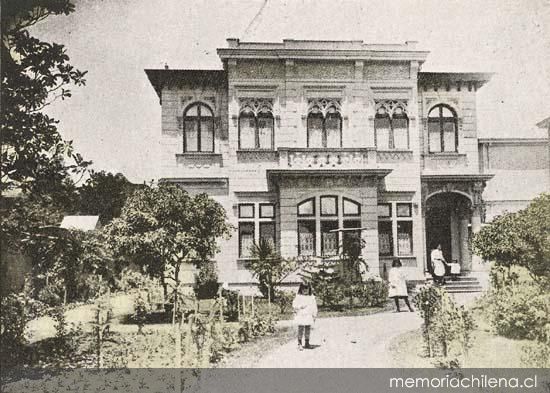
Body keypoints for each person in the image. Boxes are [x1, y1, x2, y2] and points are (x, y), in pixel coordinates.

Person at [292, 282, 318, 350]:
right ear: (301, 289)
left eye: (307, 289)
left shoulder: (311, 297)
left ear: (309, 289)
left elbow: (314, 307)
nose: (305, 291)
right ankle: (299, 343)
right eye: (303, 289)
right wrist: (300, 306)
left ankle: (307, 342)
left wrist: (314, 315)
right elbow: (294, 305)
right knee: (300, 328)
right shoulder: (298, 297)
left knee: (307, 328)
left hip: (308, 315)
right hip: (301, 315)